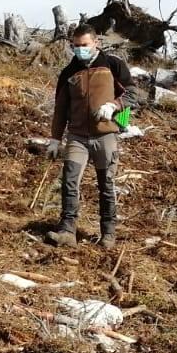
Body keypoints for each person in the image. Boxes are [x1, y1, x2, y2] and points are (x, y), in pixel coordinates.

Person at [45, 24, 139, 249]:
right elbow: (60, 109)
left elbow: (133, 94)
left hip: (105, 134)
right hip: (77, 136)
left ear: (96, 43)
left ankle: (108, 233)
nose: (80, 50)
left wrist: (114, 106)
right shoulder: (69, 72)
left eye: (84, 45)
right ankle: (67, 231)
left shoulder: (113, 65)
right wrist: (55, 139)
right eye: (76, 46)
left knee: (106, 184)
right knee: (69, 181)